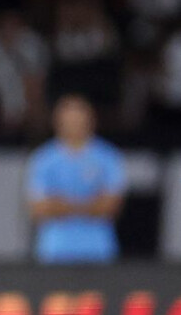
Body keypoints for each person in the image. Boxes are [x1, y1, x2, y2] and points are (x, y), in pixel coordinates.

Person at [27, 94, 125, 264]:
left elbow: (111, 206)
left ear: (91, 121)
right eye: (69, 120)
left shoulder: (109, 157)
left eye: (79, 119)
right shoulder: (43, 159)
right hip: (54, 251)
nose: (75, 124)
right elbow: (38, 209)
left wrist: (62, 204)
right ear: (57, 122)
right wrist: (90, 204)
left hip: (99, 250)